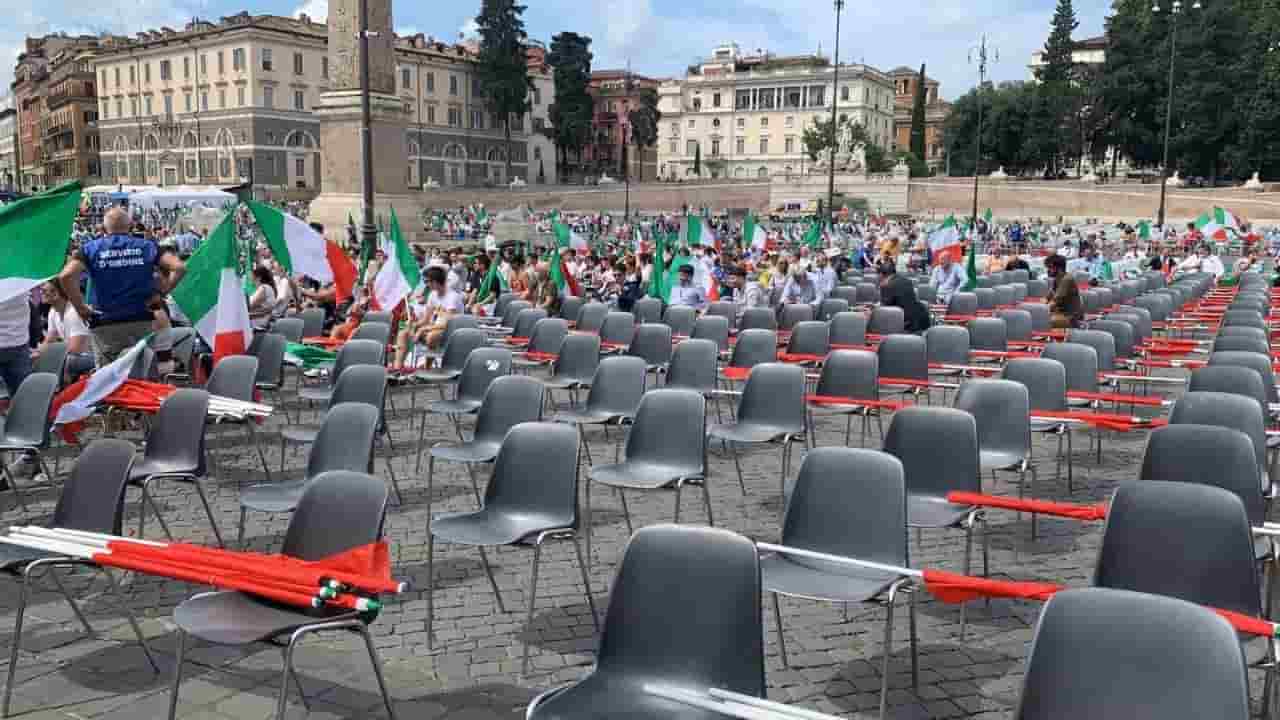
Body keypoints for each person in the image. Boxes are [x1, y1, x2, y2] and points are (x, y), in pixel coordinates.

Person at [57, 207, 186, 372]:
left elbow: (65, 276)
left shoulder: (90, 248)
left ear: (103, 229)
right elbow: (180, 268)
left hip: (105, 322)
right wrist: (162, 292)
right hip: (141, 319)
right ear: (131, 226)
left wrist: (80, 308)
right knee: (140, 371)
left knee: (107, 378)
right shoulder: (147, 246)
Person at [391, 266, 463, 369]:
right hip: (434, 328)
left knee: (431, 337)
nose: (426, 285)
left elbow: (448, 324)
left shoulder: (452, 297)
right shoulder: (433, 295)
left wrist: (422, 329)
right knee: (403, 333)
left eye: (427, 281)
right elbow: (426, 319)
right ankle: (397, 368)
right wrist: (414, 325)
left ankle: (427, 367)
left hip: (450, 331)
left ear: (435, 281)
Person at [35, 281, 94, 381]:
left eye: (44, 290)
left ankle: (62, 390)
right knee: (39, 357)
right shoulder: (53, 311)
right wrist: (37, 353)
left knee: (66, 361)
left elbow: (75, 349)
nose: (41, 293)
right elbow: (48, 341)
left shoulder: (74, 312)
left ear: (57, 293)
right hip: (73, 355)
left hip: (89, 356)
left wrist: (48, 354)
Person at [878, 261, 931, 333]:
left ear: (881, 274)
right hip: (920, 322)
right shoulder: (907, 281)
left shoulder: (887, 286)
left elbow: (884, 309)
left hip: (904, 325)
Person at [1045, 254, 1083, 329]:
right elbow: (1047, 298)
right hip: (1060, 313)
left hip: (1071, 317)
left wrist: (1040, 311)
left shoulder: (1066, 279)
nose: (1048, 270)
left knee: (1044, 320)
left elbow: (1054, 302)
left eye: (1050, 267)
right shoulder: (1057, 279)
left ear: (1059, 269)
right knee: (1040, 317)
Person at [247, 266, 277, 332]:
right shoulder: (264, 288)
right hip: (257, 321)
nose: (250, 278)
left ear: (259, 278)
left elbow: (249, 306)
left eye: (252, 276)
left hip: (257, 324)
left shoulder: (263, 288)